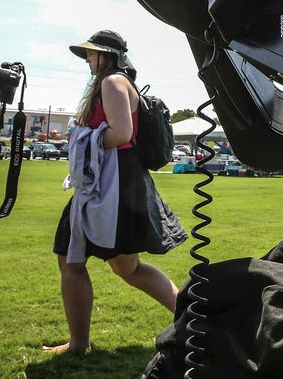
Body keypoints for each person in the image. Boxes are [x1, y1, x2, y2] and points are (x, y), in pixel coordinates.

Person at [44, 30, 187, 354]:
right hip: (121, 180)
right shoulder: (118, 82)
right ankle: (196, 323)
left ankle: (79, 344)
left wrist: (84, 138)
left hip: (114, 182)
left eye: (91, 54)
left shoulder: (112, 82)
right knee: (128, 268)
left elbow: (122, 132)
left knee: (71, 258)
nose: (88, 60)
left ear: (107, 55)